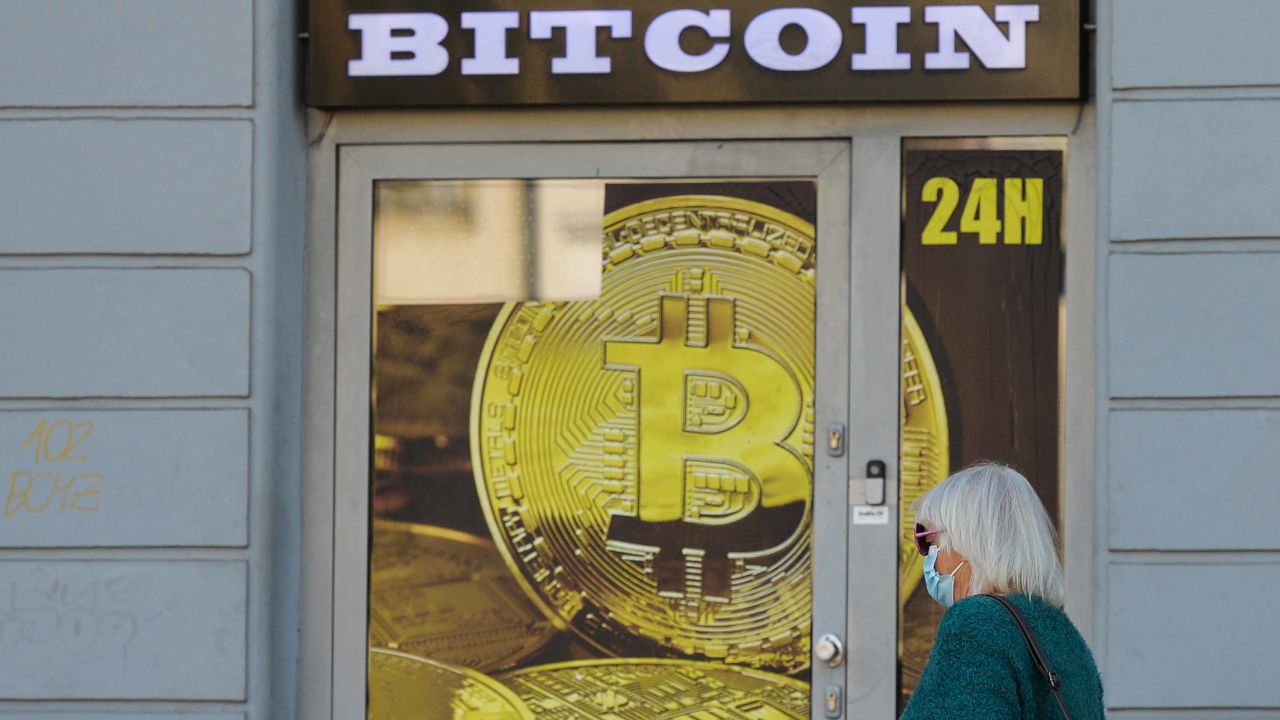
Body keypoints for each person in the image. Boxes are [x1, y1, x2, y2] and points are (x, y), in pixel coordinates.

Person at [900, 462, 1106, 719]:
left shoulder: (976, 623)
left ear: (967, 542)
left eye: (928, 542)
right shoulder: (1061, 630)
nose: (928, 558)